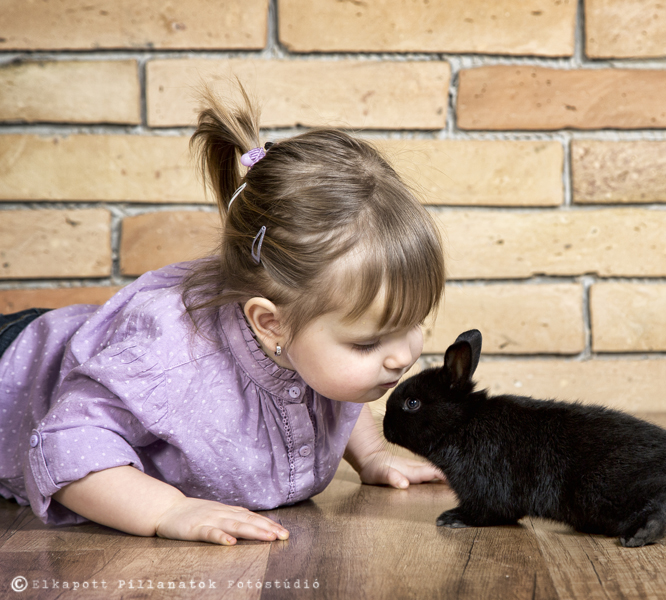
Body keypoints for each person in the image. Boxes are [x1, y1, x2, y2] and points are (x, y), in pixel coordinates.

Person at [0, 84, 446, 546]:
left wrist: (372, 455)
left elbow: (336, 392)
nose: (402, 357)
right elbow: (64, 442)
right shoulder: (173, 362)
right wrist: (167, 509)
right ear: (270, 323)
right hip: (11, 368)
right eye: (368, 343)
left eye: (411, 325)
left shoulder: (310, 336)